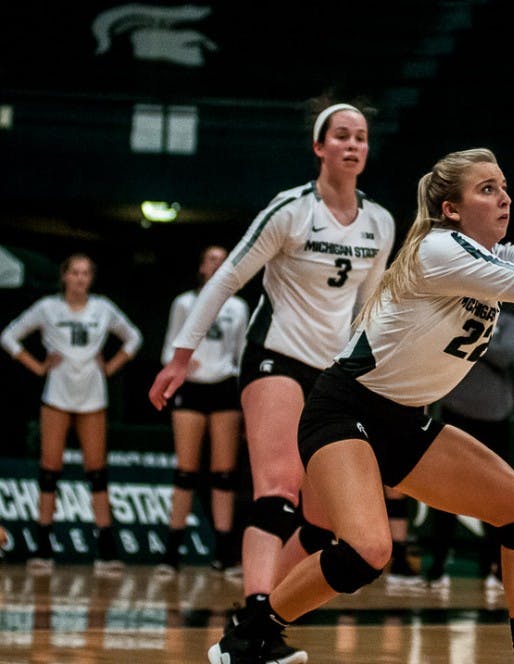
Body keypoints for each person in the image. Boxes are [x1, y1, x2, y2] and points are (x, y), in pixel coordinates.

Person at [203, 147, 514, 664]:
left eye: (504, 186)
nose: (503, 197)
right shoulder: (437, 250)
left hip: (405, 421)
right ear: (450, 209)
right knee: (366, 550)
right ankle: (248, 637)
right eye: (487, 189)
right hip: (344, 409)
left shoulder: (499, 258)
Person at [149, 97, 396, 662]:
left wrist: (373, 376)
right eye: (341, 135)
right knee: (278, 488)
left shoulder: (379, 221)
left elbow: (371, 307)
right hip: (276, 357)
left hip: (333, 373)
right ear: (319, 147)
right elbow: (226, 278)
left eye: (360, 136)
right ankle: (258, 623)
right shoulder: (290, 210)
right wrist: (180, 357)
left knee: (324, 519)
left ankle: (253, 624)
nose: (353, 144)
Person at [1, 253, 142, 574]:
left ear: (91, 278)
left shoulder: (103, 308)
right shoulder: (48, 308)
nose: (80, 278)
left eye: (86, 273)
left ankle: (105, 548)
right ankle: (43, 546)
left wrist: (111, 366)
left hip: (93, 395)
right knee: (50, 470)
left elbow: (134, 337)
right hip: (57, 395)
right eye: (75, 272)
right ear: (64, 276)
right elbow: (9, 335)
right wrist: (37, 366)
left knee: (97, 471)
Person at [156, 245, 249, 577]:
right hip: (191, 387)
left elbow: (242, 355)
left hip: (223, 386)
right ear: (200, 267)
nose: (216, 264)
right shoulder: (184, 302)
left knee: (223, 476)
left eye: (223, 260)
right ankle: (171, 553)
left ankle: (223, 554)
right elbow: (169, 346)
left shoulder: (238, 307)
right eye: (210, 259)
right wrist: (179, 361)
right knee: (186, 473)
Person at [425, 308, 514, 590]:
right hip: (456, 410)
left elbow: (507, 355)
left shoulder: (510, 320)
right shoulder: (456, 312)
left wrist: (473, 334)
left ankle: (494, 564)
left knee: (497, 490)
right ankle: (439, 563)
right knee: (444, 491)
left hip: (496, 416)